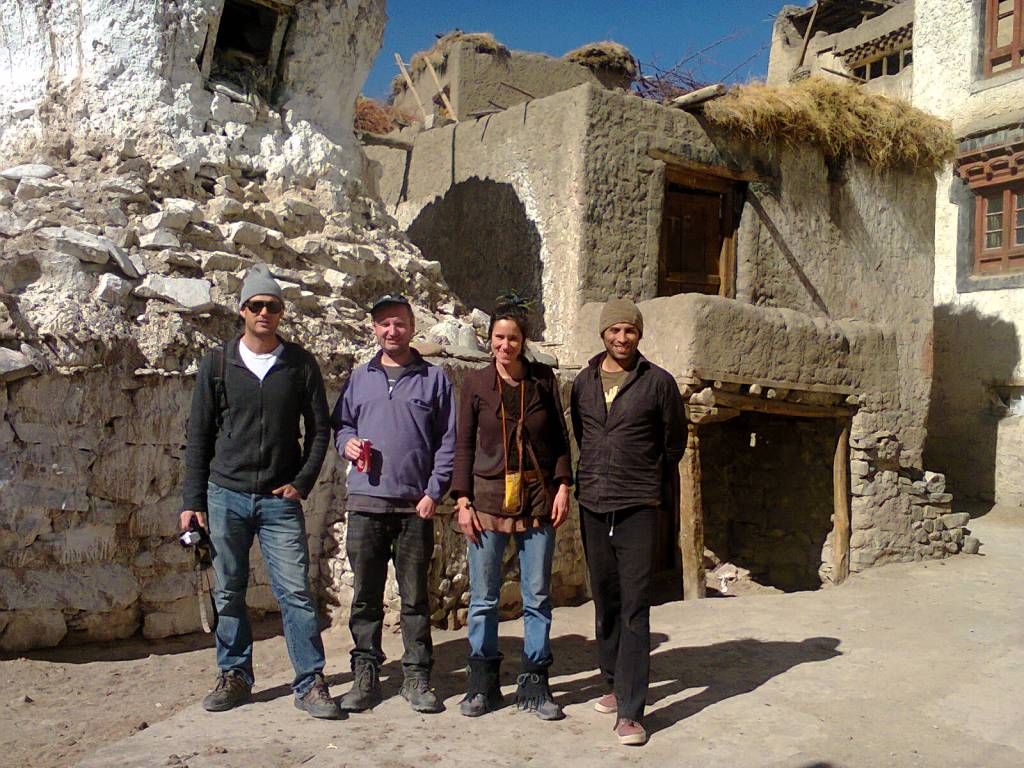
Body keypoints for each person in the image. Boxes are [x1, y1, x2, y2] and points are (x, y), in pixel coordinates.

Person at [181, 263, 339, 719]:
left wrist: (302, 483)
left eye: (271, 306)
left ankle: (310, 682)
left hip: (278, 500)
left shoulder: (299, 364)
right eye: (255, 305)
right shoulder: (217, 363)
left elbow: (320, 430)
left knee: (295, 593)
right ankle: (234, 675)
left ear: (281, 311)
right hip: (224, 495)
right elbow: (199, 436)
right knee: (228, 591)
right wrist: (192, 502)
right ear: (243, 310)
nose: (264, 313)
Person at [331, 294, 456, 713]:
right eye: (384, 323)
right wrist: (347, 443)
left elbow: (448, 441)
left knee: (416, 598)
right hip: (366, 503)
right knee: (365, 597)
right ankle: (365, 674)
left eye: (399, 323)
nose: (392, 330)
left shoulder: (434, 379)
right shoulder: (359, 377)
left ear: (412, 327)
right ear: (374, 328)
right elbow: (341, 425)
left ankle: (417, 676)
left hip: (413, 507)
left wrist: (434, 492)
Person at [569, 298, 685, 746]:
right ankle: (614, 683)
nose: (622, 338)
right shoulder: (583, 382)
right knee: (605, 599)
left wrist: (644, 479)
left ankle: (632, 712)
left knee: (635, 605)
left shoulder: (658, 383)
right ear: (603, 334)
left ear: (639, 335)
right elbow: (583, 435)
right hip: (593, 504)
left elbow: (673, 443)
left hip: (638, 506)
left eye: (630, 330)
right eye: (615, 330)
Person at [452, 297, 572, 720]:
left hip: (538, 499)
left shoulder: (543, 381)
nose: (506, 345)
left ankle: (535, 684)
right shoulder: (476, 383)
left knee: (536, 597)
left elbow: (560, 438)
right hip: (486, 500)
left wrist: (563, 485)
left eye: (513, 338)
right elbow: (463, 445)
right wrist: (462, 500)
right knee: (484, 598)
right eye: (499, 338)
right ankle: (482, 686)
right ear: (490, 341)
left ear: (524, 341)